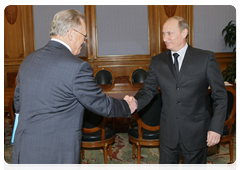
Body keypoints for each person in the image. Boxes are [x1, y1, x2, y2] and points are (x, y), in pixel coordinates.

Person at [12, 9, 137, 170]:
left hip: (24, 150)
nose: (84, 41)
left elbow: (18, 104)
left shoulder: (28, 60)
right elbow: (99, 103)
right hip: (54, 155)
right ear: (71, 33)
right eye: (84, 36)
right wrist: (127, 106)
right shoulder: (76, 67)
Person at [125, 16, 227, 170]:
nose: (165, 38)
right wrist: (136, 102)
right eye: (163, 33)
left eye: (170, 33)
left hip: (196, 131)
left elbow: (220, 96)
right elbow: (148, 90)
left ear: (184, 32)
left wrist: (216, 128)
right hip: (168, 132)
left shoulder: (205, 58)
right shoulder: (157, 61)